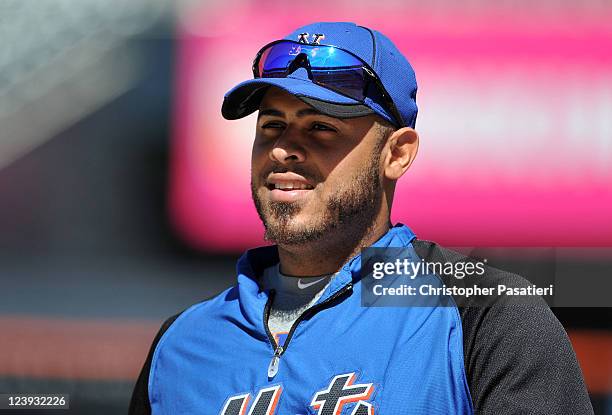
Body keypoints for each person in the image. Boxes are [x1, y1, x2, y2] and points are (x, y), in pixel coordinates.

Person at [129, 22, 593, 414]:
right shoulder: (182, 343)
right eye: (271, 125)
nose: (283, 149)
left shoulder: (488, 313)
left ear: (397, 153)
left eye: (321, 127)